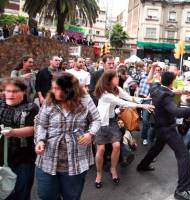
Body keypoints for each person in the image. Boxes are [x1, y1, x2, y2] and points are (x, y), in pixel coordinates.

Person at [137, 64, 190, 200]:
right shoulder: (165, 96)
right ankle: (181, 191)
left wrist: (177, 92)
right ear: (172, 82)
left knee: (156, 148)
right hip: (167, 128)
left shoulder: (155, 88)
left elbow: (153, 83)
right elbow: (177, 112)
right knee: (183, 154)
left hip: (160, 126)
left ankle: (143, 165)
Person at [34, 72, 101, 200]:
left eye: (57, 88)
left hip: (76, 161)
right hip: (48, 159)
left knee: (72, 196)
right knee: (46, 195)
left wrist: (90, 134)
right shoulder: (49, 101)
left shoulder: (84, 100)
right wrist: (40, 141)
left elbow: (96, 120)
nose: (53, 91)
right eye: (52, 88)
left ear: (70, 89)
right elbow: (41, 124)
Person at [94, 70, 154, 189]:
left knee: (116, 146)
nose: (119, 78)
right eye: (116, 77)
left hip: (111, 121)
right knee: (100, 149)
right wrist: (142, 106)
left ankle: (113, 168)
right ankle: (99, 173)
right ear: (109, 79)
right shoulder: (105, 93)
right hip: (100, 122)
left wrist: (143, 100)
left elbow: (128, 97)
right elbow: (121, 102)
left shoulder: (117, 89)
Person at [0, 78, 39, 200]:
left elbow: (34, 129)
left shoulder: (31, 107)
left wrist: (13, 132)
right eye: (8, 91)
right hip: (1, 159)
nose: (11, 94)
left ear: (23, 92)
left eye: (15, 91)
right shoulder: (0, 105)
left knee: (21, 193)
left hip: (23, 159)